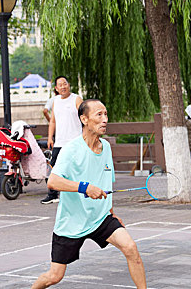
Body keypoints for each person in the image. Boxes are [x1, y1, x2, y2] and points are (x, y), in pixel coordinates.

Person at [31, 99, 147, 289]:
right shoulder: (71, 149)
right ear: (84, 119)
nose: (105, 120)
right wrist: (85, 187)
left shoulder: (106, 147)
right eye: (99, 115)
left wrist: (111, 212)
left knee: (131, 248)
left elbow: (105, 181)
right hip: (72, 222)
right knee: (54, 276)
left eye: (106, 114)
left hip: (100, 217)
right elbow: (53, 181)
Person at [41, 76, 83, 204]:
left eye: (65, 84)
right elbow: (52, 121)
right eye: (60, 85)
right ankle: (53, 195)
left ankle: (81, 192)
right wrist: (50, 137)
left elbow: (85, 116)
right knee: (54, 168)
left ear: (68, 85)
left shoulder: (76, 99)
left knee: (77, 168)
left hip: (75, 141)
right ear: (56, 88)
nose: (63, 87)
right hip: (60, 141)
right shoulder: (56, 101)